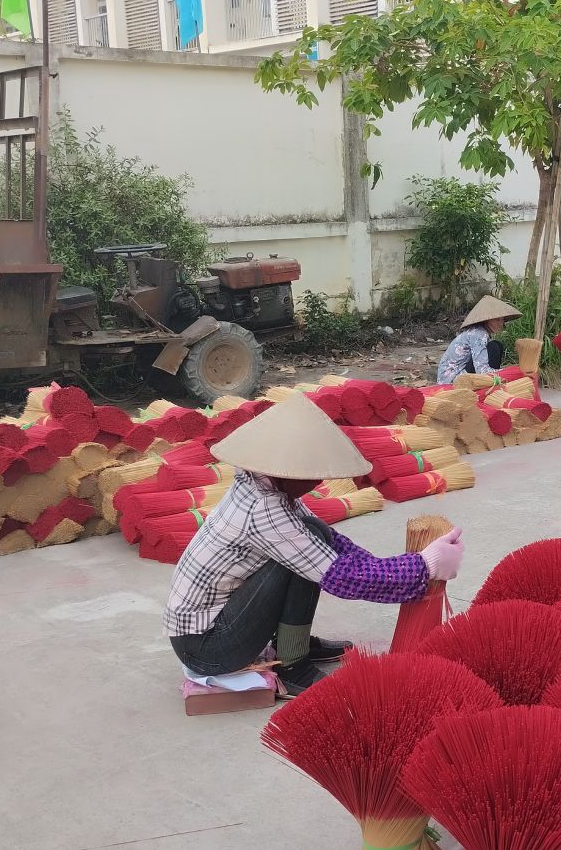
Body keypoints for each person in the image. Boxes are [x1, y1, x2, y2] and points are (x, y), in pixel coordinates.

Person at [163, 394, 464, 696]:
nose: (316, 481)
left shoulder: (260, 481)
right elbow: (341, 576)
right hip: (208, 647)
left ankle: (294, 644)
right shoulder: (264, 509)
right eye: (312, 475)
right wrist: (423, 566)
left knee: (313, 534)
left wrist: (400, 566)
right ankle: (292, 665)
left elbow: (331, 544)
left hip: (210, 626)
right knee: (303, 554)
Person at [436, 295, 522, 385]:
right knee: (494, 347)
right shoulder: (478, 335)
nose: (501, 323)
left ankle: (491, 382)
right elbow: (482, 370)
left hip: (460, 373)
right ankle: (490, 384)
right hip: (452, 381)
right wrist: (509, 372)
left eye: (502, 320)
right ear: (487, 320)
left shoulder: (480, 332)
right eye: (497, 320)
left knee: (497, 345)